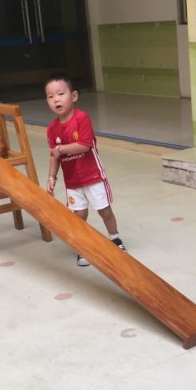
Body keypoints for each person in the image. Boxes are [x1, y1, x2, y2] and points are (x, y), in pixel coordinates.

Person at [45, 73, 125, 266]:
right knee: (78, 216)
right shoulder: (52, 129)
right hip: (72, 182)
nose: (56, 99)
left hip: (93, 177)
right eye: (50, 96)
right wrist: (51, 177)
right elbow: (54, 155)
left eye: (61, 94)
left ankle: (115, 238)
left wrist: (60, 149)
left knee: (104, 211)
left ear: (73, 96)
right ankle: (84, 248)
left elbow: (84, 145)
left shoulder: (82, 119)